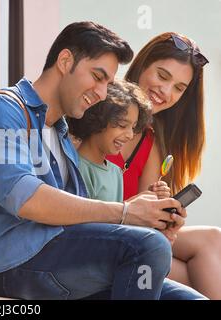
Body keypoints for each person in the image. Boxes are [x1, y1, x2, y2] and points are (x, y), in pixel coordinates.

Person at [0, 22, 205, 300]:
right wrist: (125, 213)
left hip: (58, 259)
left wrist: (147, 220)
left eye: (107, 83)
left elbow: (82, 218)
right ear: (65, 60)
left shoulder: (60, 131)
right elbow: (23, 198)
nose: (103, 93)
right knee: (149, 246)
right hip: (3, 264)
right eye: (97, 76)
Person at [106, 32, 221, 299]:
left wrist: (166, 220)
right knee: (201, 260)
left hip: (136, 236)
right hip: (104, 234)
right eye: (162, 76)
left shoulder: (152, 139)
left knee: (213, 240)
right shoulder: (98, 117)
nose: (166, 92)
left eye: (179, 88)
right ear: (142, 64)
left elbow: (148, 215)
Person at [69, 80, 152, 202]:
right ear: (97, 120)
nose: (130, 135)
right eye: (122, 125)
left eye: (133, 128)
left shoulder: (116, 171)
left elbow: (115, 217)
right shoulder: (78, 168)